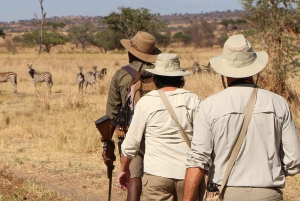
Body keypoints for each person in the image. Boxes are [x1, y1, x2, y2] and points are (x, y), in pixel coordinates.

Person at [183, 34, 300, 201]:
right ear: (255, 69)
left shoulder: (209, 105)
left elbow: (197, 160)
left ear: (224, 72)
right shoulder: (278, 103)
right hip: (268, 193)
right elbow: (294, 161)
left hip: (225, 192)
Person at [118, 53, 201, 201]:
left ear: (156, 78)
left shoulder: (146, 102)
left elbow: (131, 143)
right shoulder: (192, 99)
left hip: (157, 174)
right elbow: (203, 139)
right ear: (180, 77)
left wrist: (124, 169)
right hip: (187, 174)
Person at [104, 31, 161, 201]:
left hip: (130, 132)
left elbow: (112, 115)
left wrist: (107, 144)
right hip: (158, 133)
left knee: (133, 182)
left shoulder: (121, 75)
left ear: (130, 52)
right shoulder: (163, 74)